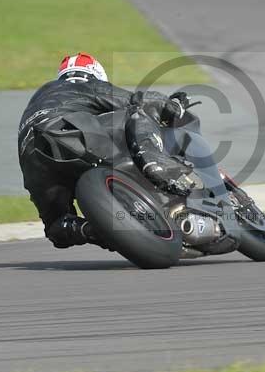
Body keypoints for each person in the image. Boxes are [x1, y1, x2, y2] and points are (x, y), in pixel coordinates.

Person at [18, 52, 194, 249]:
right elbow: (135, 100)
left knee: (56, 226)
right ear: (95, 74)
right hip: (70, 132)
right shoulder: (81, 84)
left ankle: (91, 230)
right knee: (137, 112)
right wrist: (172, 105)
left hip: (31, 158)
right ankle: (155, 164)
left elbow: (56, 235)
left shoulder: (40, 98)